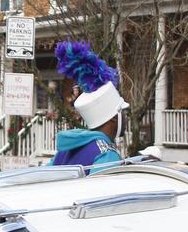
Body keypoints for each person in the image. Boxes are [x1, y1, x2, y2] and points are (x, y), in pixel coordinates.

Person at [50, 41, 129, 169]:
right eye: (123, 112)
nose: (126, 117)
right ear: (114, 118)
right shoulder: (106, 155)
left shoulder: (65, 152)